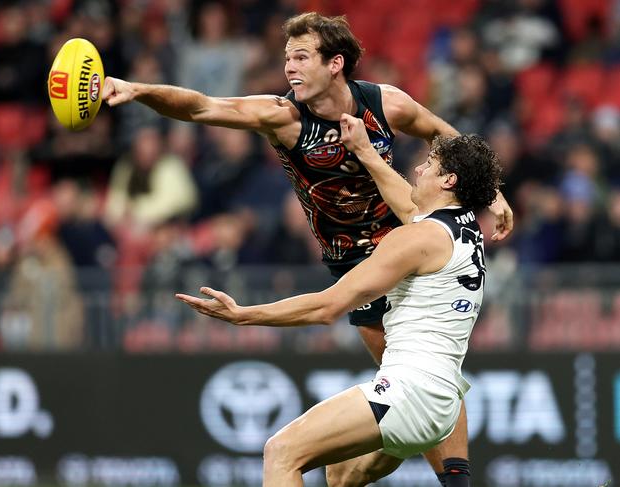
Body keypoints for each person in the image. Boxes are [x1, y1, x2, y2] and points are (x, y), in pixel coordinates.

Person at [102, 12, 513, 486]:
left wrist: (491, 191)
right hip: (361, 257)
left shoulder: (384, 103)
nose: (289, 68)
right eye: (286, 58)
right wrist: (137, 90)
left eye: (301, 57)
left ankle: (456, 479)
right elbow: (199, 107)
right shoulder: (282, 116)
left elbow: (443, 136)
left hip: (414, 237)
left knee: (413, 378)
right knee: (355, 458)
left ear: (335, 63)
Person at [176, 116, 502, 487]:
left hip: (408, 393)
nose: (417, 168)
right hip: (442, 405)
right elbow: (409, 206)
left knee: (281, 452)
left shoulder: (417, 239)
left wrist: (244, 315)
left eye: (430, 165)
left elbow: (327, 307)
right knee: (341, 474)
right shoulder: (464, 230)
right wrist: (365, 151)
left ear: (449, 181)